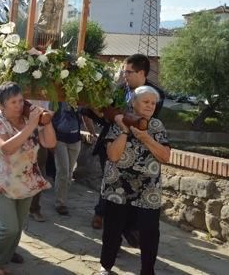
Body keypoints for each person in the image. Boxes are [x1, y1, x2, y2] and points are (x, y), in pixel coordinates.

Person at [98, 85, 171, 275]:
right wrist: (124, 131)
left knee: (149, 233)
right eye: (146, 102)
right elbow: (113, 156)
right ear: (134, 103)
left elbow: (165, 156)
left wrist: (146, 138)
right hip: (118, 185)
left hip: (148, 189)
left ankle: (148, 271)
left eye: (153, 103)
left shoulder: (157, 126)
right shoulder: (119, 122)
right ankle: (106, 266)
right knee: (113, 230)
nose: (150, 106)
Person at [91, 53, 165, 234]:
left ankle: (127, 229)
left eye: (128, 72)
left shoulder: (155, 95)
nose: (125, 76)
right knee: (110, 185)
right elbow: (106, 110)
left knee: (132, 192)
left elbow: (146, 123)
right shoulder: (120, 90)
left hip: (139, 153)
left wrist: (122, 118)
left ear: (141, 74)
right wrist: (109, 113)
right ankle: (104, 218)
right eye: (124, 72)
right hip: (112, 145)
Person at [0, 82, 56, 275]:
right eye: (13, 102)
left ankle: (5, 261)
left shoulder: (30, 118)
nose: (19, 105)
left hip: (27, 181)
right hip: (2, 181)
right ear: (2, 106)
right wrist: (32, 125)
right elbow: (6, 148)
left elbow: (50, 142)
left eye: (20, 100)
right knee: (8, 228)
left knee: (18, 228)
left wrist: (46, 121)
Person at [52, 102, 96, 215]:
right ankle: (60, 203)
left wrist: (92, 132)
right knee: (63, 171)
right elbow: (50, 117)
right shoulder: (57, 99)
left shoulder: (80, 99)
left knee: (69, 172)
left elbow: (86, 117)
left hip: (75, 139)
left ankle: (62, 197)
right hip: (59, 139)